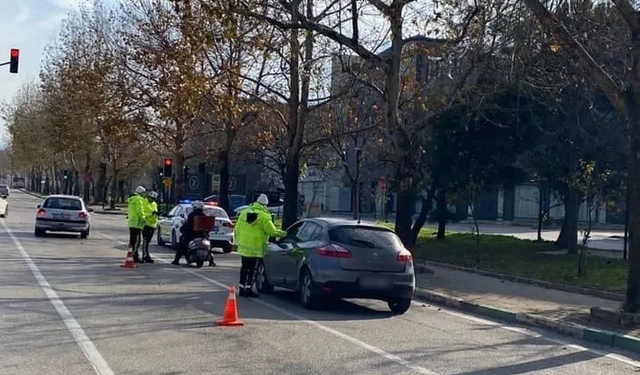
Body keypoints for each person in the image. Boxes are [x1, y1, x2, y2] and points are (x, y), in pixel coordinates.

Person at [234, 193, 286, 298]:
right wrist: (283, 233)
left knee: (244, 268)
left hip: (244, 247)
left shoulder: (244, 213)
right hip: (256, 248)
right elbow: (272, 232)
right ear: (265, 205)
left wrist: (238, 241)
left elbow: (237, 228)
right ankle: (248, 289)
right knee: (252, 270)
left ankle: (241, 289)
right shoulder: (264, 216)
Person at [172, 201, 216, 266]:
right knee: (209, 246)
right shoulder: (204, 215)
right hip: (202, 235)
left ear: (194, 207)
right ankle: (211, 261)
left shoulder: (192, 215)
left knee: (181, 244)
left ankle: (176, 260)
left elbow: (187, 225)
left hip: (191, 235)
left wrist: (183, 229)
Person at [127, 185, 147, 263]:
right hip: (137, 223)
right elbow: (140, 211)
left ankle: (131, 255)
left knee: (132, 240)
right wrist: (143, 219)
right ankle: (134, 256)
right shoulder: (138, 200)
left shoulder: (131, 199)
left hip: (132, 222)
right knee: (137, 241)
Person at [141, 191, 160, 263]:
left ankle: (146, 255)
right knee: (145, 241)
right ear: (148, 197)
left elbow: (155, 213)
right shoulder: (143, 202)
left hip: (153, 225)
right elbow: (142, 213)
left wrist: (157, 215)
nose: (152, 200)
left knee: (148, 241)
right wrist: (151, 213)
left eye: (154, 199)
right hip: (146, 224)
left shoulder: (154, 204)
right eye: (151, 198)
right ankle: (145, 256)